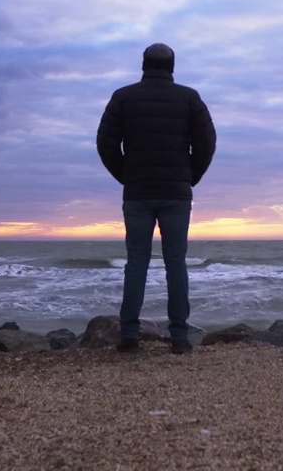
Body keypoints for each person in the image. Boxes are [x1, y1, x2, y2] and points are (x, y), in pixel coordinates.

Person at [96, 43, 216, 354]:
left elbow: (105, 144)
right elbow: (207, 143)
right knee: (176, 262)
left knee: (136, 261)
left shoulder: (123, 97)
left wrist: (125, 175)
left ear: (143, 65)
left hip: (138, 192)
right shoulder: (189, 98)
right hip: (175, 192)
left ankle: (129, 335)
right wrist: (190, 176)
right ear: (172, 66)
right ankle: (179, 337)